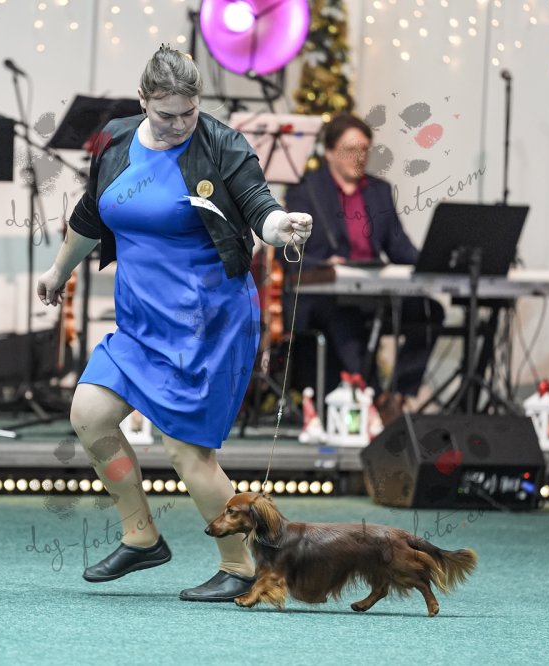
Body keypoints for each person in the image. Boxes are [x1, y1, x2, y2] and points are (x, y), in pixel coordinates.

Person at [36, 45, 313, 601]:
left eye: (189, 112)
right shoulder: (115, 141)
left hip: (208, 324)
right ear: (142, 100)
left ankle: (241, 566)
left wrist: (279, 225)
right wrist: (58, 270)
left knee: (187, 452)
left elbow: (258, 204)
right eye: (166, 114)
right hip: (141, 323)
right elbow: (90, 214)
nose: (180, 124)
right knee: (89, 413)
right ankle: (141, 535)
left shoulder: (223, 144)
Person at [280, 113, 443, 413]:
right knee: (346, 315)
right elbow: (290, 251)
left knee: (428, 311)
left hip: (372, 290)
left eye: (364, 149)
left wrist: (437, 259)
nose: (359, 157)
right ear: (330, 152)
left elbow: (399, 248)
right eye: (350, 149)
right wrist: (325, 263)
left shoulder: (379, 191)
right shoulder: (306, 190)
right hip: (324, 296)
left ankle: (398, 394)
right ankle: (374, 397)